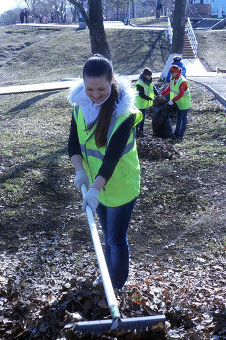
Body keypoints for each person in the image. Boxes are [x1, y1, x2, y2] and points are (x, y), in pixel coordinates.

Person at [68, 55, 142, 290]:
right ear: (83, 84)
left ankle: (117, 286)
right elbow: (72, 144)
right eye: (90, 88)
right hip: (94, 186)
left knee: (115, 238)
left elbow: (111, 159)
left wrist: (94, 190)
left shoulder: (123, 114)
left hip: (120, 185)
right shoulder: (80, 105)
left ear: (111, 82)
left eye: (101, 88)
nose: (96, 94)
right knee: (107, 236)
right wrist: (80, 172)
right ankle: (109, 276)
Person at [161, 65, 191, 140]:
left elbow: (181, 94)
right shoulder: (173, 79)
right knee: (178, 118)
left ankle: (180, 134)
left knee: (183, 119)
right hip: (178, 102)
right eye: (170, 72)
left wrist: (172, 101)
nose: (171, 73)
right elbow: (168, 89)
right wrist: (161, 94)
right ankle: (176, 133)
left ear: (176, 72)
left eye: (172, 72)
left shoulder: (182, 81)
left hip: (184, 102)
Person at [134, 68, 159, 137]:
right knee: (139, 118)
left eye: (150, 75)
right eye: (149, 76)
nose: (150, 77)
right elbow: (141, 94)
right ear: (145, 75)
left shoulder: (149, 81)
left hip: (144, 104)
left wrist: (158, 95)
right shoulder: (139, 83)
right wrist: (151, 99)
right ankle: (136, 132)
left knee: (143, 118)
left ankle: (140, 131)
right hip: (139, 104)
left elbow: (154, 89)